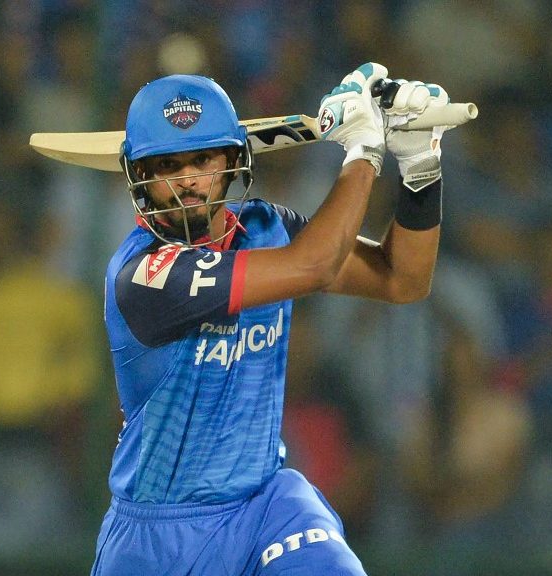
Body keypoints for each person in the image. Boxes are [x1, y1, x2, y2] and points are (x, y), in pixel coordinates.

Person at [91, 62, 450, 575]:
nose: (188, 181)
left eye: (203, 159)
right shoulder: (146, 276)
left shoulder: (267, 229)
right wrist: (364, 150)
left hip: (266, 506)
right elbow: (313, 266)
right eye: (168, 165)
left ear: (233, 160)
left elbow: (402, 279)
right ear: (140, 176)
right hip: (159, 537)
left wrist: (418, 166)